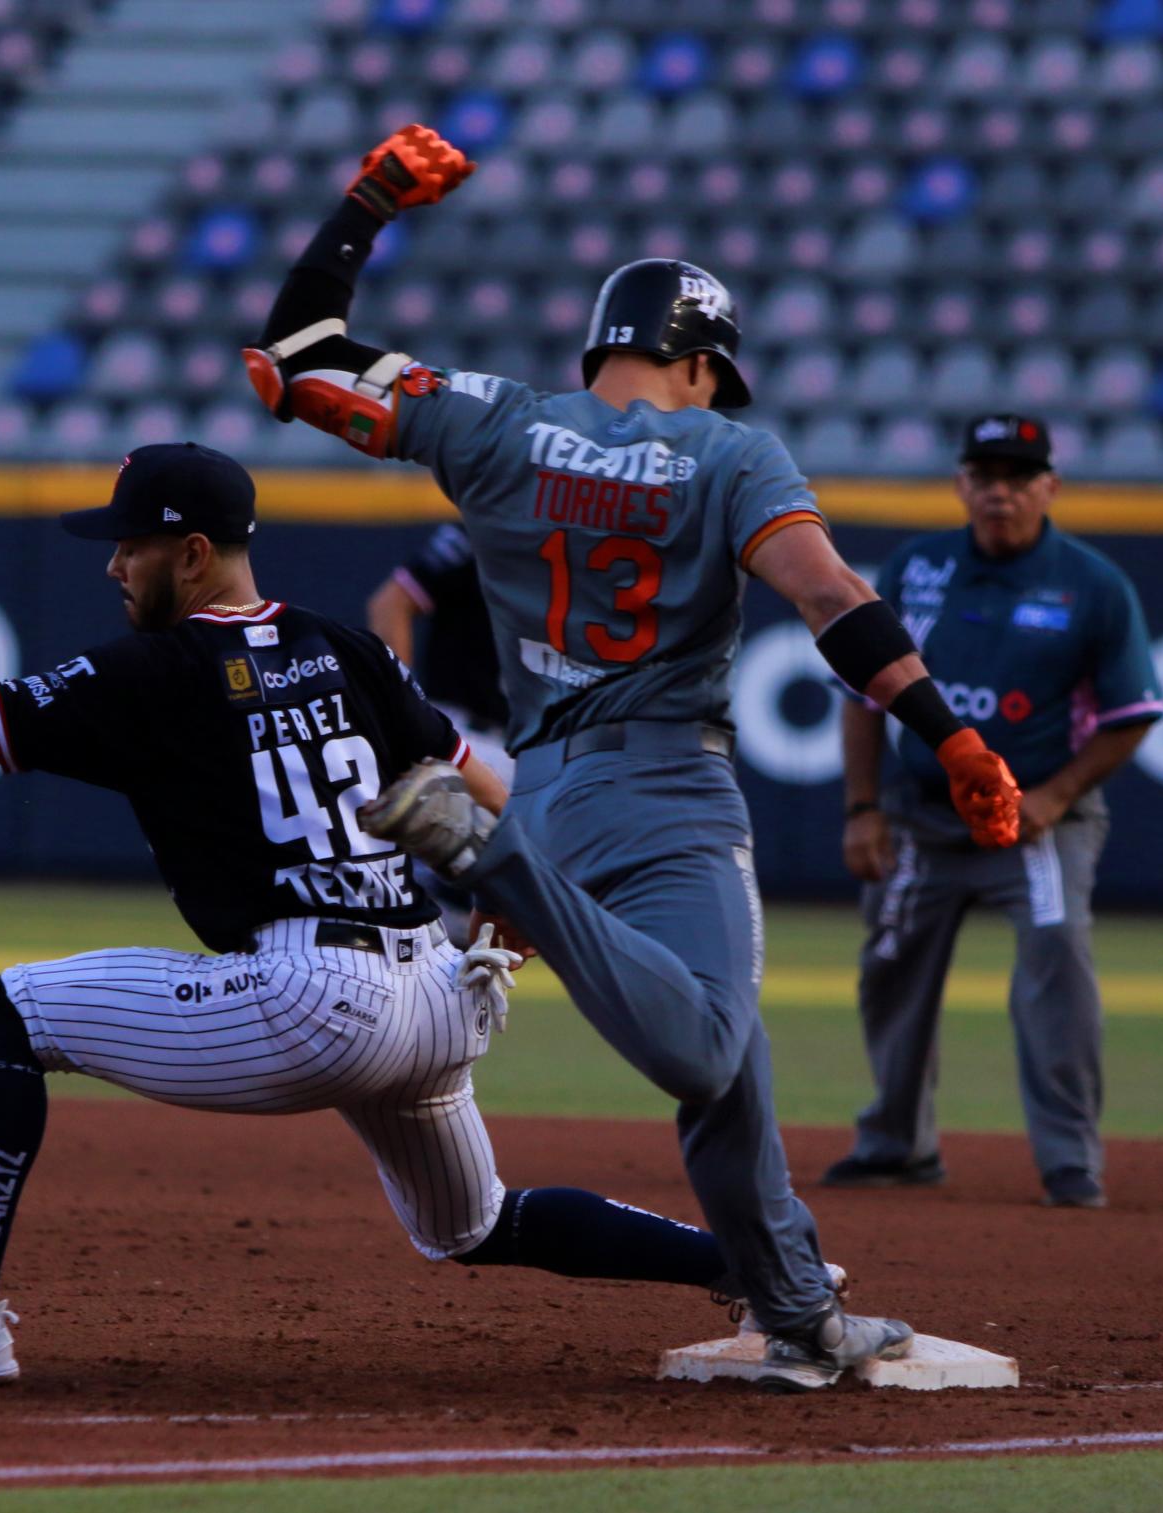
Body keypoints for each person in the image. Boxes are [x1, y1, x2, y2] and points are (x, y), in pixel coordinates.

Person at [241, 125, 1024, 1392]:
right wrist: (953, 730)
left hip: (543, 773)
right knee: (709, 1053)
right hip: (659, 783)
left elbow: (291, 361)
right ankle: (486, 857)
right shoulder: (728, 453)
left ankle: (791, 1309)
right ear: (701, 365)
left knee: (732, 1069)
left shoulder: (496, 419)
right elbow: (828, 599)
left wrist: (369, 201)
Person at [0, 442, 801, 1385]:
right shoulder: (344, 647)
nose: (115, 565)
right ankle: (767, 1269)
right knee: (473, 1223)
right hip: (438, 998)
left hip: (312, 995)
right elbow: (486, 779)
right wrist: (526, 899)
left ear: (195, 551)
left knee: (5, 1013)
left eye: (132, 544)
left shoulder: (159, 669)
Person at [822, 415, 1163, 1210]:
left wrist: (1052, 796)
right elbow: (862, 696)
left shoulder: (1093, 584)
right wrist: (862, 807)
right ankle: (896, 1144)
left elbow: (1133, 714)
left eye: (1018, 476)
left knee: (1057, 955)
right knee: (890, 964)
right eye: (985, 475)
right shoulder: (917, 567)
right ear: (961, 484)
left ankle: (1069, 1159)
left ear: (1050, 486)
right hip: (921, 817)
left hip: (1034, 820)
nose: (1000, 492)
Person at [367, 524, 511, 941]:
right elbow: (390, 603)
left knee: (496, 927)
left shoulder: (587, 533)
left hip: (530, 749)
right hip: (464, 736)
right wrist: (402, 716)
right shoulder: (489, 524)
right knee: (430, 915)